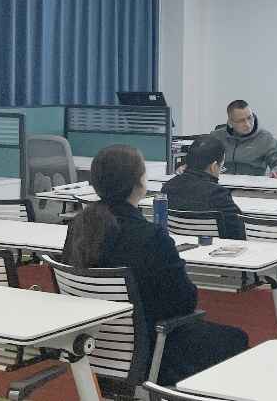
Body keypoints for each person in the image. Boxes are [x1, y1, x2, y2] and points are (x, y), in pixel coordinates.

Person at [61, 145, 248, 384]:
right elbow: (185, 302)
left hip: (90, 347)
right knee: (237, 338)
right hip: (151, 349)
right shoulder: (150, 236)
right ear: (138, 183)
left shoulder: (79, 226)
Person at [160, 134, 245, 239]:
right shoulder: (217, 194)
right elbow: (239, 232)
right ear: (213, 166)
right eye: (221, 166)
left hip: (178, 245)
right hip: (213, 247)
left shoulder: (167, 188)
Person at [208, 100, 277, 177]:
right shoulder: (216, 136)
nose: (247, 124)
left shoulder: (266, 138)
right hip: (220, 183)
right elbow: (203, 160)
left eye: (249, 118)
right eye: (241, 121)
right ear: (230, 122)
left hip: (251, 185)